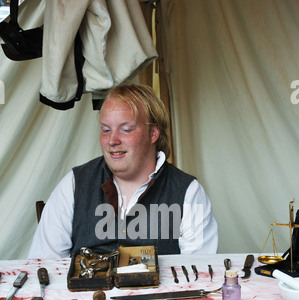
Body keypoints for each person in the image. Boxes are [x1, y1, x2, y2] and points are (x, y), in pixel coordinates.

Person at [28, 84, 218, 259]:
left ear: (153, 133)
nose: (112, 140)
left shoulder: (188, 193)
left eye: (126, 129)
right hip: (83, 295)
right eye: (106, 129)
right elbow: (45, 266)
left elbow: (196, 274)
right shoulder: (74, 184)